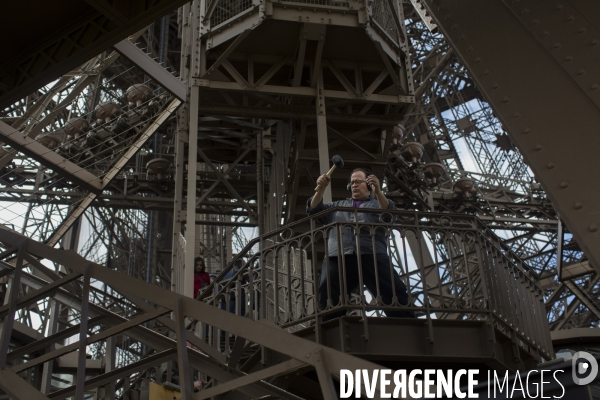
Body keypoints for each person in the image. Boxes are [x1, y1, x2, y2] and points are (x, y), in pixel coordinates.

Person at [307, 168, 414, 321]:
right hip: (338, 254)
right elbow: (314, 210)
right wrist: (321, 189)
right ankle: (330, 326)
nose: (354, 185)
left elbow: (389, 214)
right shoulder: (339, 205)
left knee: (393, 289)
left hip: (371, 253)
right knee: (328, 289)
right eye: (352, 183)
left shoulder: (377, 203)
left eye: (358, 181)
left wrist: (378, 191)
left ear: (369, 185)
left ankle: (409, 326)